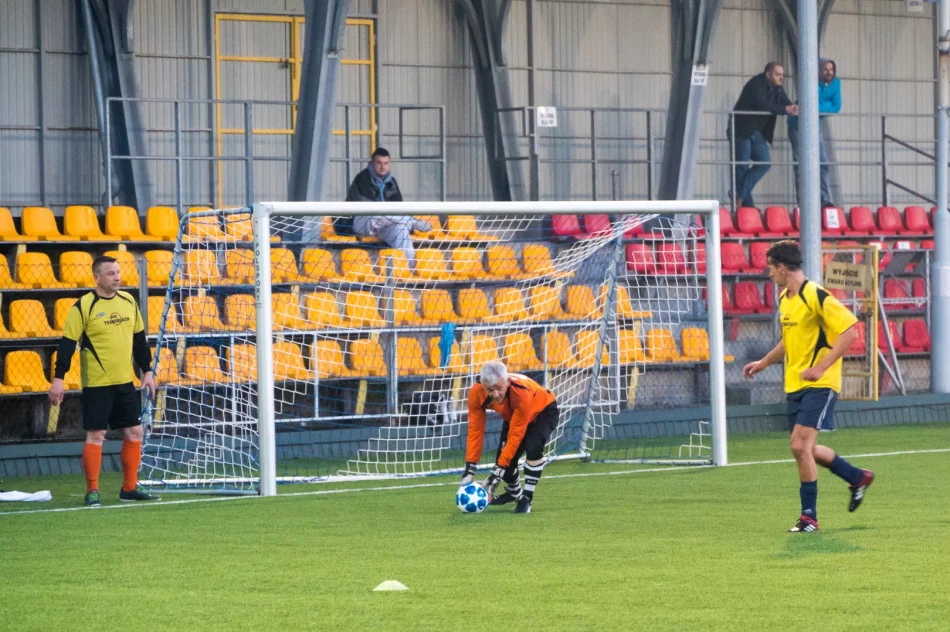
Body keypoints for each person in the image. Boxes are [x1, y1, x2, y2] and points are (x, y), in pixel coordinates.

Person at [742, 241, 874, 533]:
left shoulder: (815, 295)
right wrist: (763, 362)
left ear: (782, 267)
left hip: (821, 383)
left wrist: (821, 367)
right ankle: (857, 477)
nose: (769, 274)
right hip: (795, 385)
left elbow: (850, 332)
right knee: (807, 449)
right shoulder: (784, 298)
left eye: (770, 268)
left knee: (799, 446)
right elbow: (788, 342)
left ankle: (809, 518)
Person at [48, 256, 160, 507]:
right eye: (110, 273)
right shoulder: (83, 306)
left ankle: (129, 488)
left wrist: (148, 371)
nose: (117, 277)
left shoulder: (129, 301)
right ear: (96, 277)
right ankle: (92, 491)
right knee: (96, 434)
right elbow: (67, 344)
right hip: (97, 384)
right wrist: (58, 378)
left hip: (125, 382)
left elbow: (139, 339)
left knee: (134, 431)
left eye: (118, 272)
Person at [460, 361, 558, 514]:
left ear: (507, 381)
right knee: (504, 465)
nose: (495, 394)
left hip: (543, 410)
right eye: (489, 390)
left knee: (533, 446)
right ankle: (515, 494)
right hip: (514, 415)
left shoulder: (520, 393)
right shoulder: (476, 393)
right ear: (482, 385)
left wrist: (498, 472)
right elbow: (475, 429)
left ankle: (526, 498)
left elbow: (516, 435)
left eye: (499, 388)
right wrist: (470, 468)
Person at [341, 147, 431, 269]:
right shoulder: (362, 178)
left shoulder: (392, 182)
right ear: (372, 164)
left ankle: (411, 272)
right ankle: (411, 221)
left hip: (384, 224)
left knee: (401, 230)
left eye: (386, 163)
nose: (382, 167)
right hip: (361, 223)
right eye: (379, 163)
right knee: (377, 212)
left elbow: (399, 207)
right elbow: (363, 205)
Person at [730, 62, 799, 207]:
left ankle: (738, 193)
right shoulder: (755, 84)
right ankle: (746, 204)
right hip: (741, 129)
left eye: (782, 75)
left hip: (757, 131)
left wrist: (793, 107)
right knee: (742, 165)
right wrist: (786, 109)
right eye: (777, 74)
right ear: (768, 74)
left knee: (764, 162)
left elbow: (785, 103)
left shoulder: (778, 89)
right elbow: (762, 105)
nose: (781, 78)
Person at [787, 59, 842, 208]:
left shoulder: (836, 83)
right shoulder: (811, 80)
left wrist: (817, 108)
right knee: (801, 166)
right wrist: (824, 106)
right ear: (819, 71)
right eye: (825, 69)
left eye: (831, 69)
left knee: (823, 163)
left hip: (814, 126)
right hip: (797, 126)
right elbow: (807, 104)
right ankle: (803, 202)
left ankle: (824, 200)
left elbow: (836, 106)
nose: (829, 72)